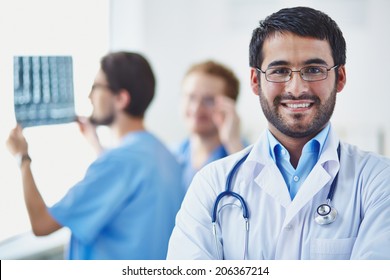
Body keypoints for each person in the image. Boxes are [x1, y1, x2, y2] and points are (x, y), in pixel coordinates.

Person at [167, 7, 390, 260]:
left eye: (314, 69)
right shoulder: (211, 184)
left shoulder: (379, 181)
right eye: (280, 71)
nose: (296, 88)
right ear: (255, 80)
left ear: (339, 77)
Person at [6, 51, 185, 260]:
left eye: (96, 87)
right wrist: (95, 144)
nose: (89, 97)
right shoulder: (163, 154)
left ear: (121, 98)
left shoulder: (118, 163)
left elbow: (42, 223)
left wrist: (22, 158)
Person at [175, 60, 244, 189]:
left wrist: (233, 143)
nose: (196, 108)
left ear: (228, 106)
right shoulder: (173, 156)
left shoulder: (242, 155)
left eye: (209, 100)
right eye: (191, 97)